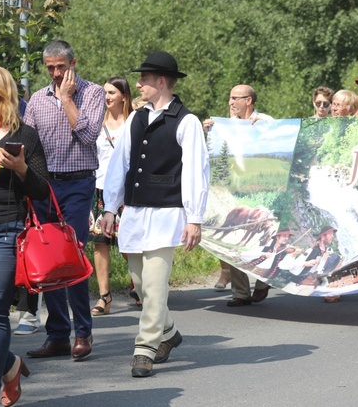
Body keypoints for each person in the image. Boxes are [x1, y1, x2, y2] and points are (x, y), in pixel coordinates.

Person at [101, 51, 210, 377]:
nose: (139, 84)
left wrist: (194, 217)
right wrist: (109, 207)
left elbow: (195, 171)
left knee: (156, 284)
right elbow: (119, 164)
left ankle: (145, 348)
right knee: (141, 285)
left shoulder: (186, 121)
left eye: (144, 79)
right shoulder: (136, 118)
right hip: (135, 211)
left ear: (160, 82)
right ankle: (169, 332)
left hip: (166, 213)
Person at [24, 39, 105, 361]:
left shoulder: (93, 93)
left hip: (77, 184)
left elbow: (87, 135)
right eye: (51, 68)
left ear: (73, 63)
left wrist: (68, 99)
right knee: (48, 259)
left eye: (61, 66)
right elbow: (28, 143)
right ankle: (57, 335)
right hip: (44, 186)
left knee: (70, 255)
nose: (56, 73)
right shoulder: (36, 100)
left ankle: (82, 333)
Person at [0, 64, 50, 407]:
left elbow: (41, 190)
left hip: (6, 230)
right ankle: (10, 365)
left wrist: (19, 168)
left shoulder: (24, 135)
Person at [203, 84, 274, 307]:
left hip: (258, 188)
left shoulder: (264, 120)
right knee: (233, 234)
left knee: (261, 235)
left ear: (249, 101)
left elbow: (276, 142)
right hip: (232, 188)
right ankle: (241, 292)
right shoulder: (225, 125)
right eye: (230, 98)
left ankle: (263, 281)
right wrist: (209, 133)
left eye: (236, 98)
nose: (231, 102)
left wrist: (264, 129)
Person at [89, 76, 133, 315]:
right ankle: (104, 296)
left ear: (124, 96)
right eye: (105, 92)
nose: (107, 97)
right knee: (100, 243)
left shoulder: (133, 122)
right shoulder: (97, 122)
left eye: (112, 93)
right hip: (99, 189)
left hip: (127, 191)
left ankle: (141, 284)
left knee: (128, 244)